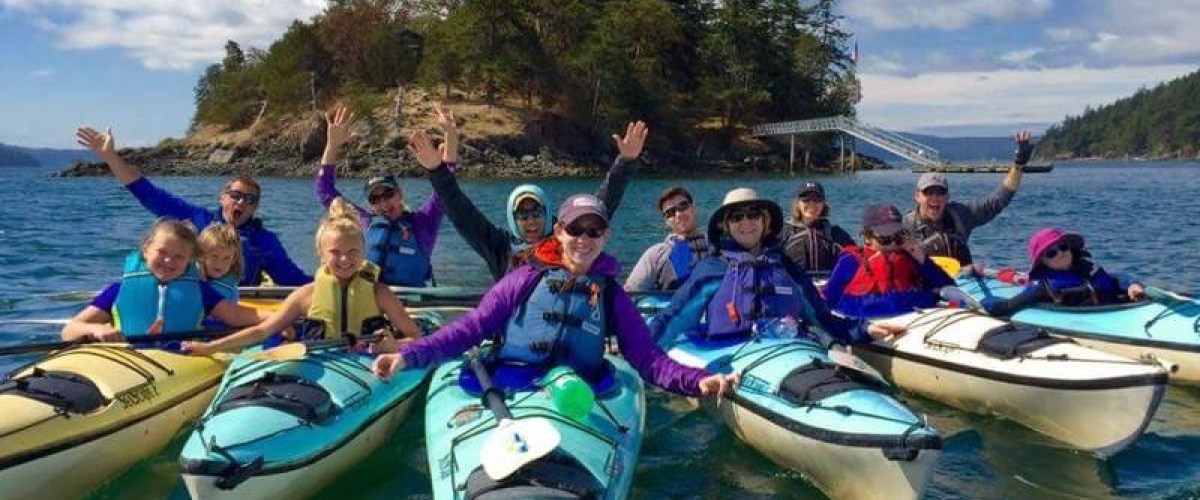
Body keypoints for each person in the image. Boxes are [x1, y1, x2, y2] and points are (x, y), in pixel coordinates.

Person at [371, 194, 739, 399]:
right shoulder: (525, 278)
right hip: (511, 383)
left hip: (581, 390)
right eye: (576, 229)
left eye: (594, 231)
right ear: (560, 232)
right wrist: (408, 355)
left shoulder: (610, 293)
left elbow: (648, 358)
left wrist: (697, 380)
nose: (584, 239)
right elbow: (471, 327)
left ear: (605, 236)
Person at [648, 188, 902, 345]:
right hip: (733, 358)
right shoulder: (712, 269)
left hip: (787, 351)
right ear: (726, 226)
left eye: (753, 215)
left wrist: (866, 328)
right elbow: (673, 318)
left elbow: (823, 319)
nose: (746, 222)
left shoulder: (787, 267)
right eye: (737, 217)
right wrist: (637, 349)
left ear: (765, 221)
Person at [417, 117, 648, 282]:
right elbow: (459, 210)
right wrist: (437, 171)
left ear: (548, 214)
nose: (531, 221)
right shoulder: (499, 247)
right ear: (513, 218)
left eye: (536, 212)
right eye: (523, 215)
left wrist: (625, 162)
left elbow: (601, 205)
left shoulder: (568, 236)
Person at [183, 199, 424, 355]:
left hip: (367, 364)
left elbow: (415, 338)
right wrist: (210, 348)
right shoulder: (305, 295)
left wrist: (395, 346)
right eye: (335, 253)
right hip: (320, 365)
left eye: (353, 252)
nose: (344, 260)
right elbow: (263, 331)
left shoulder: (379, 293)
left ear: (364, 253)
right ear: (320, 255)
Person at [74, 127, 310, 286]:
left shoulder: (264, 242)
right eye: (236, 195)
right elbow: (149, 195)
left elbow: (293, 280)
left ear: (255, 208)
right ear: (222, 198)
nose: (241, 202)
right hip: (191, 302)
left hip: (238, 307)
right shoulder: (197, 220)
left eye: (250, 200)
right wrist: (111, 157)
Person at [61, 219, 264, 342]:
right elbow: (70, 330)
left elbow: (236, 315)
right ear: (146, 249)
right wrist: (96, 329)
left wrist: (282, 315)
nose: (168, 261)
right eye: (162, 252)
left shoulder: (201, 291)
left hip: (179, 361)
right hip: (128, 359)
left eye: (179, 257)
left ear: (190, 261)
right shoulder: (117, 291)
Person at [314, 104, 448, 287]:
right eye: (375, 199)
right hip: (369, 303)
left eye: (388, 194)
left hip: (413, 304)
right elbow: (324, 190)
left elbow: (447, 191)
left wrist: (449, 141)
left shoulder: (423, 223)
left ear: (399, 194)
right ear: (370, 205)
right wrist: (332, 145)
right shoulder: (364, 221)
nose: (383, 202)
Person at [902, 130, 1034, 266]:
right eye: (928, 192)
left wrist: (1019, 164)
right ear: (917, 196)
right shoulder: (905, 225)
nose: (935, 198)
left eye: (940, 192)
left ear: (947, 197)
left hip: (959, 279)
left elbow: (999, 199)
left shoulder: (960, 215)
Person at [823, 204, 956, 318]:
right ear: (868, 237)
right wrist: (927, 297)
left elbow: (950, 289)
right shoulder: (851, 261)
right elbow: (832, 303)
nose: (893, 243)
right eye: (886, 238)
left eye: (898, 236)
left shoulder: (910, 258)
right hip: (873, 327)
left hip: (914, 322)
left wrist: (921, 258)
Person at [980, 228, 1146, 317]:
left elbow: (1116, 279)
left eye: (1063, 247)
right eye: (1051, 253)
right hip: (1089, 321)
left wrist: (1132, 284)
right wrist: (983, 302)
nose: (1060, 253)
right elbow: (1006, 306)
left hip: (1118, 312)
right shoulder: (1044, 287)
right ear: (1042, 262)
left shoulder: (1088, 270)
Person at [624, 185, 712, 292]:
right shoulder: (656, 255)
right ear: (666, 221)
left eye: (683, 206)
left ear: (693, 208)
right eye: (671, 213)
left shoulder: (719, 246)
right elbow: (630, 293)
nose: (678, 214)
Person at [779, 181, 855, 276]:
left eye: (817, 199)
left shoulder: (836, 234)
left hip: (828, 287)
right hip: (795, 286)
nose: (812, 204)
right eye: (806, 199)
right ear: (798, 203)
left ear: (823, 204)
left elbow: (856, 260)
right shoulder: (783, 232)